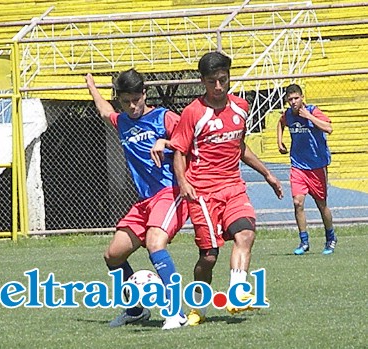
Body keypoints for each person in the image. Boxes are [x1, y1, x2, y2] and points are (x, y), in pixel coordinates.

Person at [169, 52, 284, 325]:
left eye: (223, 80)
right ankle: (199, 306)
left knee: (245, 232)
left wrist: (267, 173)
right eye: (212, 82)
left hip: (233, 187)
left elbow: (239, 146)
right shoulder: (193, 113)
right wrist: (183, 182)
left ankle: (237, 293)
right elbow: (180, 152)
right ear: (203, 82)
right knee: (209, 256)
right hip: (203, 193)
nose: (218, 87)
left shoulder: (241, 107)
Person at [85, 69, 189, 330]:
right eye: (125, 101)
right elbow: (104, 110)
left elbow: (190, 138)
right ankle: (135, 310)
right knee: (113, 255)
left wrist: (164, 142)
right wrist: (92, 88)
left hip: (169, 193)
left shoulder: (163, 117)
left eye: (136, 99)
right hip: (144, 202)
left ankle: (176, 312)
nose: (131, 106)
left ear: (145, 94)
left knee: (155, 243)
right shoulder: (122, 121)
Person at [277, 83, 336, 255]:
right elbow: (281, 123)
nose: (294, 102)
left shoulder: (313, 110)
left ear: (302, 98)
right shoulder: (288, 114)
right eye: (290, 99)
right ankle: (304, 241)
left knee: (321, 205)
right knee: (297, 203)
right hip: (298, 166)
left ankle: (330, 238)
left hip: (317, 166)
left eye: (296, 98)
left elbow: (329, 128)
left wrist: (309, 117)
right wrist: (280, 141)